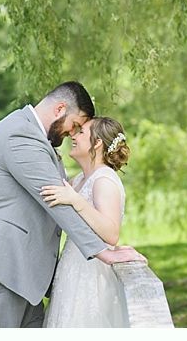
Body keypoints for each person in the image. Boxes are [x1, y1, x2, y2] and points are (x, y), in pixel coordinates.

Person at [0, 81, 146, 328]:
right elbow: (55, 200)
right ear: (60, 109)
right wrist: (103, 252)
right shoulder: (20, 134)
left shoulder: (35, 137)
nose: (73, 133)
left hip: (19, 271)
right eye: (76, 124)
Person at [41, 117, 133, 327]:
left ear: (97, 142)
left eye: (80, 132)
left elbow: (111, 233)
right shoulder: (81, 178)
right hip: (72, 269)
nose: (72, 136)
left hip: (90, 275)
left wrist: (76, 200)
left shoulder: (104, 180)